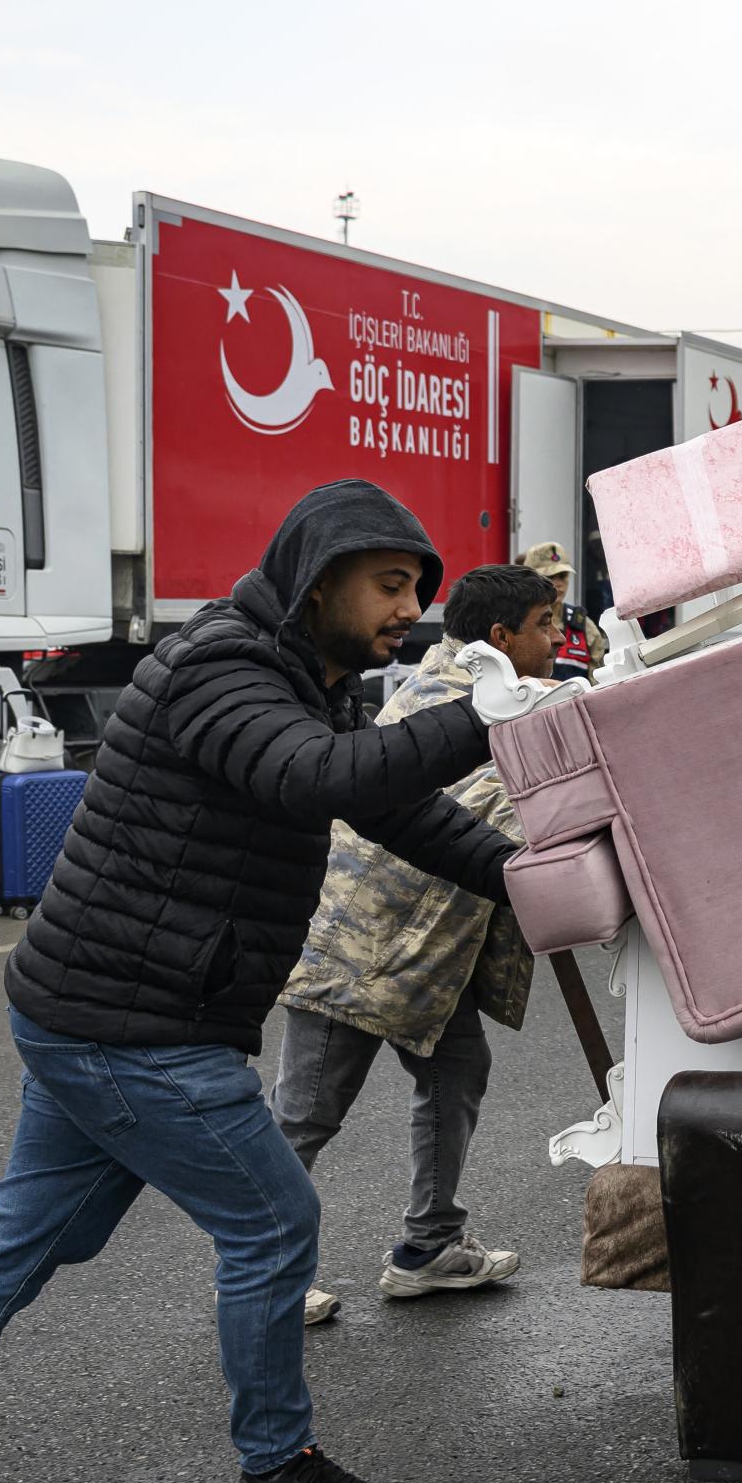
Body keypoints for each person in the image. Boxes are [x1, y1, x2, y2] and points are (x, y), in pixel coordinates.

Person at [0, 481, 537, 1483]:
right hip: (135, 1022)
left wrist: (530, 877)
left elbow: (388, 807)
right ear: (317, 577)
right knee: (275, 1221)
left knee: (19, 1242)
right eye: (390, 585)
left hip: (95, 1007)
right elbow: (312, 779)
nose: (408, 610)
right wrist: (483, 716)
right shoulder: (221, 667)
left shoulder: (306, 676)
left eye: (416, 591)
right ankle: (277, 1475)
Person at [276, 562, 563, 1328]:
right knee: (306, 1115)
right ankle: (263, 1272)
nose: (558, 635)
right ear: (500, 638)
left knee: (457, 1069)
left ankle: (429, 1245)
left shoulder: (472, 691)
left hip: (424, 952)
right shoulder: (462, 707)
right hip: (361, 946)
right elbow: (500, 822)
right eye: (544, 623)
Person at [520, 540, 612, 682]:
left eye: (563, 576)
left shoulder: (584, 626)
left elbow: (597, 683)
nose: (558, 583)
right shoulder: (516, 622)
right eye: (549, 577)